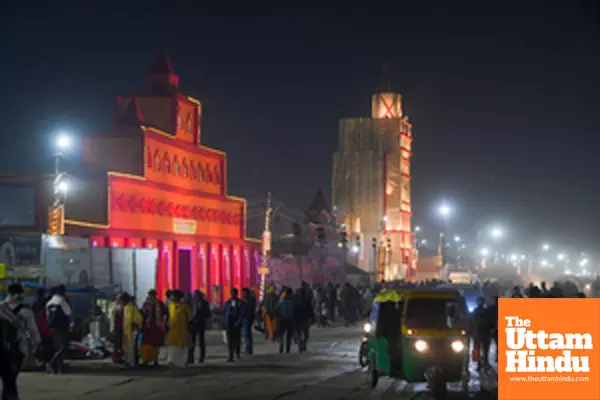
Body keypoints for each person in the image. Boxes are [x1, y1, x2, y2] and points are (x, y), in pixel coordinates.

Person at [1, 283, 41, 398]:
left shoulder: (1, 308)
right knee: (11, 378)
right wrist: (37, 343)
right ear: (19, 294)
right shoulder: (25, 310)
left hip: (1, 348)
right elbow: (33, 329)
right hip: (17, 349)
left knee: (7, 378)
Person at [46, 284, 72, 374]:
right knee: (63, 346)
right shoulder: (62, 300)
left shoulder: (49, 302)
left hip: (53, 327)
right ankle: (52, 363)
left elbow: (47, 316)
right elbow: (68, 312)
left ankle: (57, 368)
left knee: (57, 347)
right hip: (62, 327)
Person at [166, 290, 191, 367]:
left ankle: (182, 362)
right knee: (172, 345)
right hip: (172, 329)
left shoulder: (185, 306)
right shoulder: (170, 306)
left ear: (178, 297)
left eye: (173, 296)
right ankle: (171, 361)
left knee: (182, 346)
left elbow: (190, 317)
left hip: (182, 330)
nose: (172, 297)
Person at [140, 289, 164, 367]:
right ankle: (148, 360)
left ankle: (152, 360)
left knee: (154, 344)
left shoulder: (157, 303)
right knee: (148, 344)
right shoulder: (148, 303)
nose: (151, 296)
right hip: (149, 326)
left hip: (154, 326)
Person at [188, 290, 211, 363]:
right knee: (191, 342)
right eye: (194, 295)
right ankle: (190, 358)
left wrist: (202, 318)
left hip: (200, 324)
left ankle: (201, 358)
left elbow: (208, 314)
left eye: (197, 295)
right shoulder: (191, 303)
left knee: (201, 342)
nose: (195, 296)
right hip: (192, 324)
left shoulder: (204, 303)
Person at [223, 288, 246, 362]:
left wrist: (238, 322)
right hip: (229, 323)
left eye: (234, 293)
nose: (232, 294)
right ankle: (231, 354)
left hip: (236, 323)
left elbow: (242, 314)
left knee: (236, 338)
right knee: (229, 339)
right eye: (231, 293)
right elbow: (224, 313)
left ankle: (237, 352)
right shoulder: (228, 302)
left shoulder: (240, 303)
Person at [121, 293, 143, 367]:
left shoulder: (132, 308)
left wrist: (136, 326)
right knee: (128, 347)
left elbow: (138, 319)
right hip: (127, 331)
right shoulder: (126, 307)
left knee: (131, 348)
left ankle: (132, 363)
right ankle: (129, 362)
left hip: (132, 330)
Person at [293, 287, 315, 352]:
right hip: (305, 320)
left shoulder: (294, 300)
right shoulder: (307, 300)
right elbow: (311, 310)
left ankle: (300, 344)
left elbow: (292, 310)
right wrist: (313, 318)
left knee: (298, 334)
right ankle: (303, 343)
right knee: (306, 335)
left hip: (297, 320)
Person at [276, 288, 295, 354]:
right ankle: (287, 350)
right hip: (289, 320)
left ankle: (281, 347)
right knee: (288, 336)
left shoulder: (280, 301)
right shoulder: (292, 302)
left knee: (281, 335)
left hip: (282, 320)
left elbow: (276, 310)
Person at [241, 288, 256, 355]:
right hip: (247, 319)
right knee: (247, 334)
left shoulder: (249, 300)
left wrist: (247, 318)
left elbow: (249, 310)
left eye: (243, 292)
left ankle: (248, 349)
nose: (242, 294)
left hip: (247, 319)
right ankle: (249, 348)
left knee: (246, 334)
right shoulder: (249, 299)